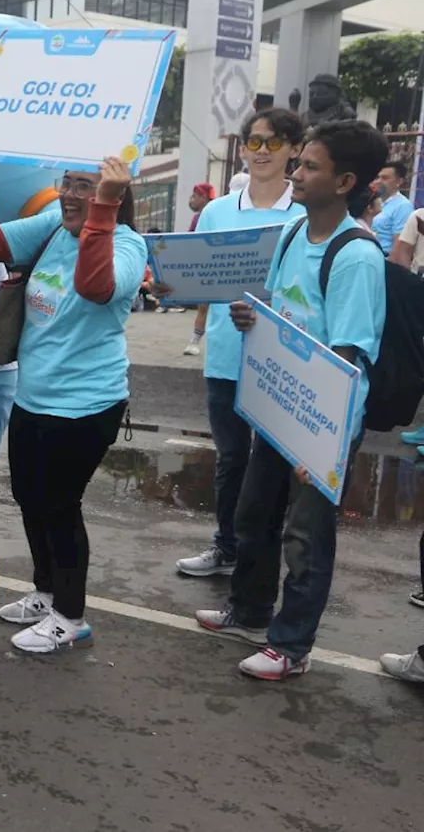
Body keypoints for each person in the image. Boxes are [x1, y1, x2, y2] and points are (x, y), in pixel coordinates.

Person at [196, 120, 388, 680]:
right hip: (282, 408)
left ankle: (291, 645)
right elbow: (279, 311)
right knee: (254, 513)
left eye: (309, 166)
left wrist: (322, 448)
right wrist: (250, 316)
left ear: (346, 181)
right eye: (298, 162)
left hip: (324, 421)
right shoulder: (290, 235)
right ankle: (250, 609)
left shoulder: (356, 256)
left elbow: (348, 356)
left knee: (306, 536)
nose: (296, 173)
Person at [0, 147, 146, 652]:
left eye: (86, 185)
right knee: (30, 498)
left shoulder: (126, 245)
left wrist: (102, 210)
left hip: (86, 405)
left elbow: (95, 285)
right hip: (33, 396)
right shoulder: (51, 231)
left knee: (60, 506)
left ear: (114, 193)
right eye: (68, 182)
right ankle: (45, 592)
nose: (70, 195)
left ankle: (71, 616)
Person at [174, 108, 305, 578]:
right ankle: (226, 547)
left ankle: (268, 553)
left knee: (276, 465)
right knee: (231, 458)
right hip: (228, 355)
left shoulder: (306, 213)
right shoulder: (216, 211)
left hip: (285, 360)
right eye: (254, 142)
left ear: (294, 148)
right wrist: (171, 286)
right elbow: (195, 277)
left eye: (273, 142)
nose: (262, 151)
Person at [183, 182, 216, 355]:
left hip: (210, 267)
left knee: (204, 306)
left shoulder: (205, 215)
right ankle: (195, 341)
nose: (192, 200)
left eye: (195, 196)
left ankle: (195, 341)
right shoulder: (207, 214)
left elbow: (191, 241)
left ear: (203, 197)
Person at [370, 160, 411, 254]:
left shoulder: (403, 206)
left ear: (399, 182)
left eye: (385, 178)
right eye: (378, 177)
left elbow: (400, 243)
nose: (379, 181)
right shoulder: (373, 202)